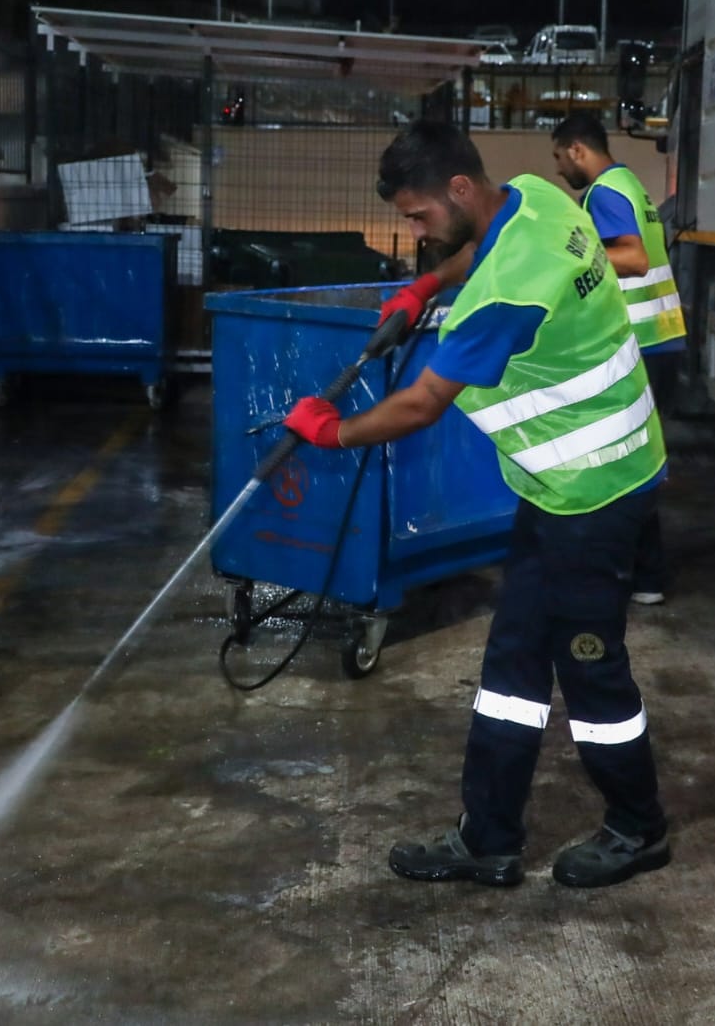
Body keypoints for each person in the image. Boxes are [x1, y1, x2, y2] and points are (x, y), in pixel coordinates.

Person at [284, 119, 670, 889]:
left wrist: (331, 432)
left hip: (591, 494)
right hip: (569, 484)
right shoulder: (536, 197)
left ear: (459, 189)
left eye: (420, 217)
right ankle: (488, 836)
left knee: (590, 671)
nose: (417, 231)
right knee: (512, 662)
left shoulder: (503, 295)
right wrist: (428, 282)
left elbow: (422, 403)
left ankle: (639, 827)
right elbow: (476, 250)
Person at [549, 113, 685, 605]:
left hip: (640, 346)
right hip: (663, 341)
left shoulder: (604, 192)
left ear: (578, 150)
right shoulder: (631, 183)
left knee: (621, 465)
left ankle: (634, 574)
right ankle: (645, 577)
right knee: (638, 461)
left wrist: (572, 260)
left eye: (560, 158)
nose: (561, 170)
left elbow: (632, 258)